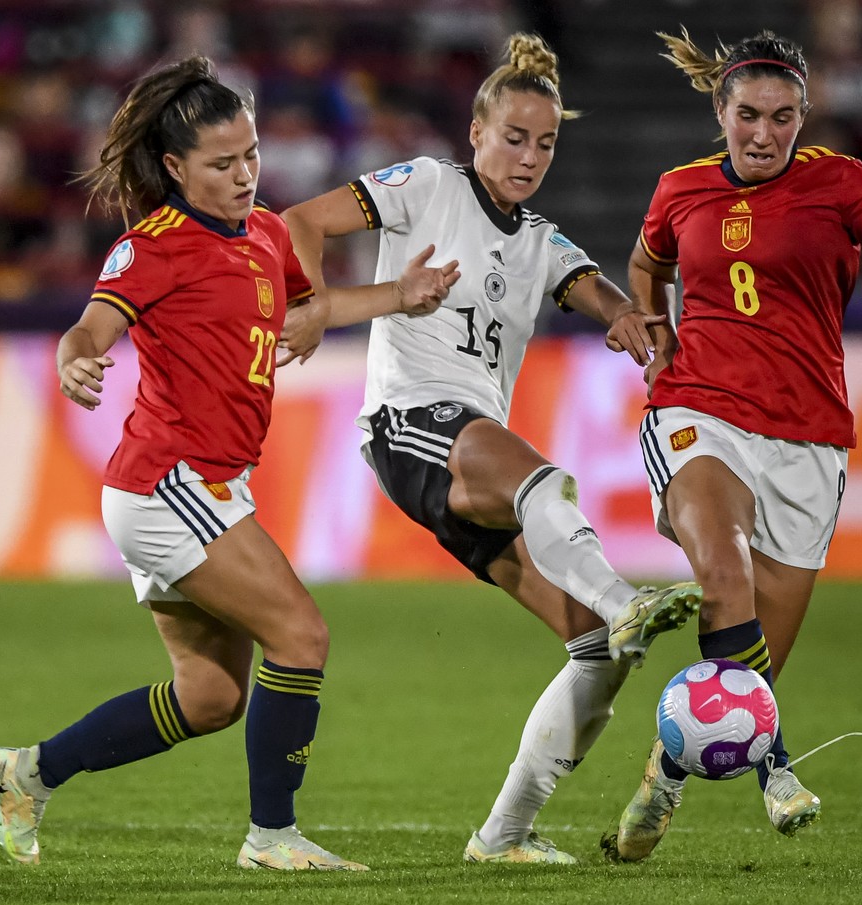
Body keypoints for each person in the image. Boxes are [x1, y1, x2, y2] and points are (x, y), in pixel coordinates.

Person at [0, 56, 447, 872]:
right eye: (222, 164)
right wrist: (74, 358)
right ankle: (272, 837)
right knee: (301, 633)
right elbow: (90, 327)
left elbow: (312, 310)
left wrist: (398, 297)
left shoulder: (265, 233)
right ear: (174, 168)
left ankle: (29, 772)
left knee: (211, 698)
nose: (244, 176)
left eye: (252, 156)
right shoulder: (153, 247)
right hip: (167, 483)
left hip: (205, 485)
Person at [282, 33, 703, 865]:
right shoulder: (430, 184)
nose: (530, 156)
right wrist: (310, 304)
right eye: (514, 137)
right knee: (544, 482)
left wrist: (623, 314)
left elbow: (590, 283)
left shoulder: (539, 238)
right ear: (476, 133)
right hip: (409, 423)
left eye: (545, 143)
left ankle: (504, 834)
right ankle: (623, 593)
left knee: (599, 651)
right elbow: (301, 219)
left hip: (468, 453)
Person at [600, 28, 862, 863]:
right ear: (721, 110)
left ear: (804, 116)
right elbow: (644, 260)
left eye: (784, 118)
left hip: (809, 439)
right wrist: (651, 327)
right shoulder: (679, 189)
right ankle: (780, 771)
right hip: (699, 412)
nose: (765, 134)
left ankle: (665, 775)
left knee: (750, 673)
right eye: (750, 116)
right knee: (723, 573)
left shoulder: (839, 183)